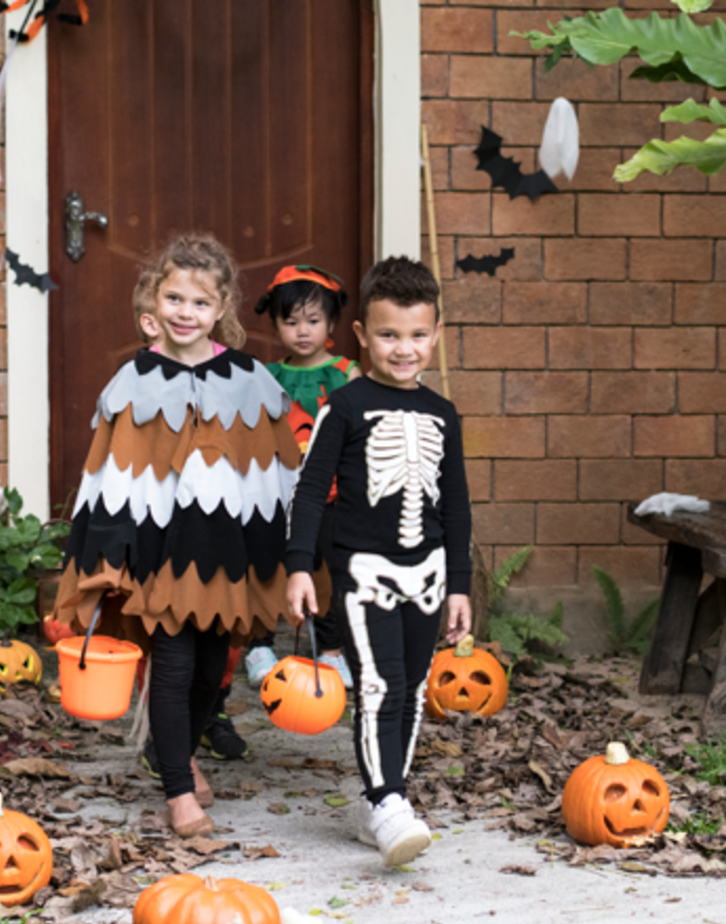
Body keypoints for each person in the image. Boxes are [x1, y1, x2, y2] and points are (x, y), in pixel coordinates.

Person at [51, 232, 304, 838]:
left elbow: (274, 476)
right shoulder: (133, 381)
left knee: (211, 667)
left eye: (198, 302)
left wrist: (288, 557)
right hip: (158, 553)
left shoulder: (248, 380)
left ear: (220, 310)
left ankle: (179, 754)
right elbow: (106, 474)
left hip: (222, 554)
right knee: (172, 663)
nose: (184, 312)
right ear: (152, 301)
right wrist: (105, 557)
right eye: (173, 298)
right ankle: (177, 794)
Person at [283, 256, 472, 867]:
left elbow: (458, 506)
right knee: (377, 684)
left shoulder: (444, 413)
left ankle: (381, 802)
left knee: (413, 688)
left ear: (436, 334)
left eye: (418, 335)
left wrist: (460, 586)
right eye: (389, 335)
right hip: (363, 571)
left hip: (430, 571)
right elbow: (311, 490)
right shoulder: (346, 406)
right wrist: (298, 568)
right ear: (362, 335)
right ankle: (389, 798)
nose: (404, 349)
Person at [241, 264, 359, 694]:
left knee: (329, 570)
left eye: (313, 321)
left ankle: (329, 650)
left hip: (330, 496)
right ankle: (259, 646)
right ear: (275, 324)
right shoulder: (268, 377)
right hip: (277, 494)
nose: (302, 331)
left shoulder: (348, 374)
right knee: (267, 566)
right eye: (291, 322)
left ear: (331, 323)